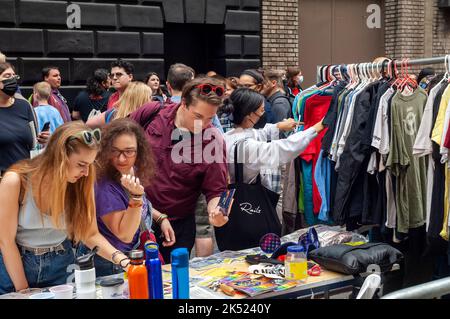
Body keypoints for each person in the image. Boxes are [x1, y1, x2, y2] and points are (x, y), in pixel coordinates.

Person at [0, 121, 131, 294]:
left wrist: (123, 261)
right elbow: (6, 241)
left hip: (62, 265)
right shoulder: (16, 181)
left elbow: (89, 234)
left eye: (89, 165)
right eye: (81, 164)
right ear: (60, 157)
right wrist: (23, 290)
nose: (86, 172)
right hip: (17, 266)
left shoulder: (81, 183)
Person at [129, 77, 230, 262]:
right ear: (183, 103)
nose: (204, 124)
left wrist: (218, 212)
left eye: (210, 118)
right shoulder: (153, 112)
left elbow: (217, 190)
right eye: (198, 116)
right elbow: (119, 139)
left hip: (177, 225)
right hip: (133, 217)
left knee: (172, 284)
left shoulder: (212, 139)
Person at [82, 118, 175, 276]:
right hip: (112, 265)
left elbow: (142, 204)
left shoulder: (129, 170)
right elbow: (124, 234)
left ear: (140, 151)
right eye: (115, 150)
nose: (121, 158)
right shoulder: (104, 185)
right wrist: (136, 197)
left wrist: (160, 218)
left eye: (129, 151)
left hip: (129, 257)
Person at [224, 88, 325, 192]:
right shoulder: (247, 147)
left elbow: (258, 132)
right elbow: (284, 147)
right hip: (245, 198)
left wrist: (279, 126)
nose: (264, 114)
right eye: (262, 110)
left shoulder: (228, 136)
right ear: (250, 114)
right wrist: (315, 129)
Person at [0, 63, 46, 179]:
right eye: (7, 76)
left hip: (27, 178)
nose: (12, 79)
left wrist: (43, 139)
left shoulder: (24, 105)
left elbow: (34, 143)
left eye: (14, 76)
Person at [86, 82, 152, 128]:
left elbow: (88, 124)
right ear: (140, 100)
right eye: (149, 97)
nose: (152, 100)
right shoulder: (147, 118)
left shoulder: (112, 113)